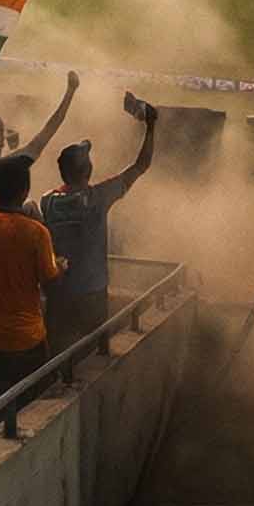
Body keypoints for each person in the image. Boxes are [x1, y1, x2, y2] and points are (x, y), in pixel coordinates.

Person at [41, 96, 157, 362]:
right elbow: (141, 165)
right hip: (92, 293)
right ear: (88, 169)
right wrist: (151, 126)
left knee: (57, 356)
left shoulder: (48, 201)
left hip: (58, 292)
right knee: (93, 356)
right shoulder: (99, 196)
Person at [0, 153, 66, 412]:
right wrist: (60, 268)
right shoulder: (36, 232)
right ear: (26, 190)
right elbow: (51, 284)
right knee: (27, 412)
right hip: (23, 343)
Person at [0, 72, 78, 222]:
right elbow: (49, 130)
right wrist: (70, 91)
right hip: (0, 227)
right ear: (1, 141)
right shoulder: (10, 163)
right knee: (31, 205)